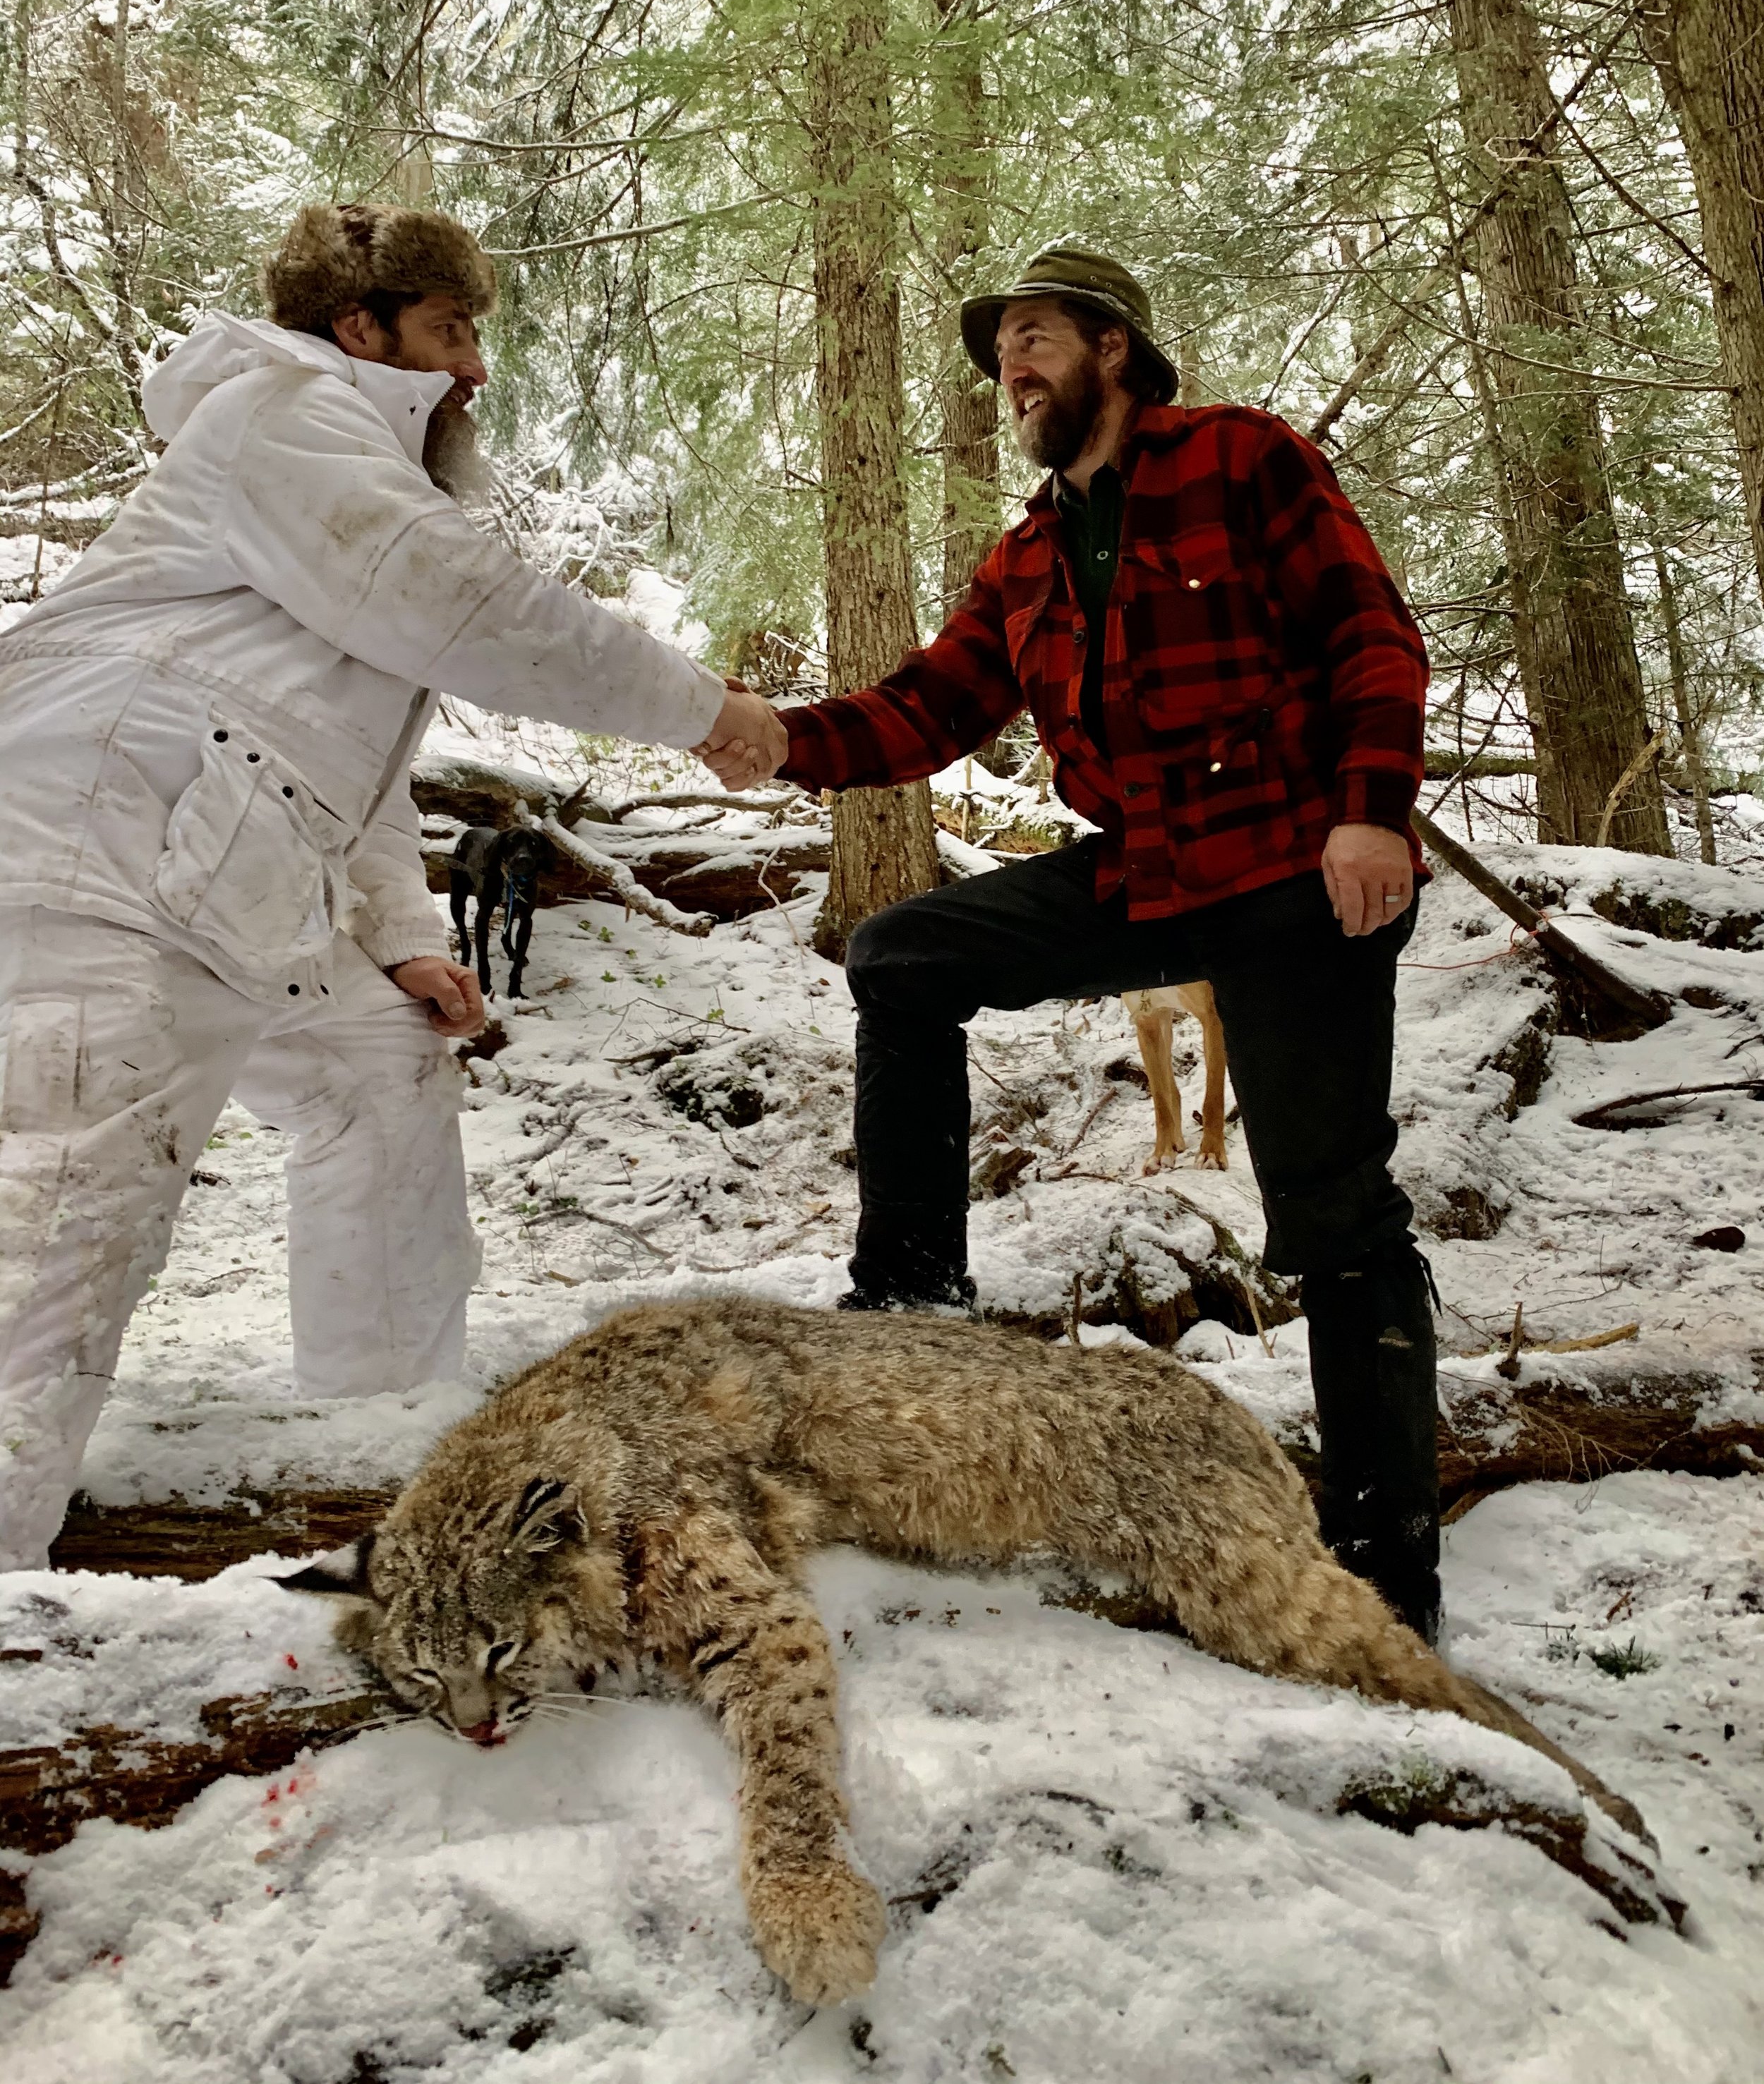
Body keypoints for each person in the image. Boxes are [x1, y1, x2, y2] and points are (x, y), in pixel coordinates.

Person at [0, 201, 786, 1570]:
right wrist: (706, 707)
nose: (476, 367)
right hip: (88, 862)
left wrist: (405, 935)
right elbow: (465, 605)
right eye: (450, 329)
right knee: (55, 1242)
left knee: (378, 1070)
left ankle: (374, 1453)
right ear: (360, 329)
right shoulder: (280, 413)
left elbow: (330, 752)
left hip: (214, 870)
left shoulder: (346, 473)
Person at [775, 243, 1443, 1640]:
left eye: (1031, 336)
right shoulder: (1022, 555)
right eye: (998, 348)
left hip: (1290, 869)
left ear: (1112, 350)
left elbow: (1369, 634)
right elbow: (919, 712)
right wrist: (772, 737)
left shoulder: (1238, 459)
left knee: (1331, 1215)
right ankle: (910, 1309)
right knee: (902, 957)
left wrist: (1369, 811)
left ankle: (1386, 1570)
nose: (1008, 366)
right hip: (1141, 872)